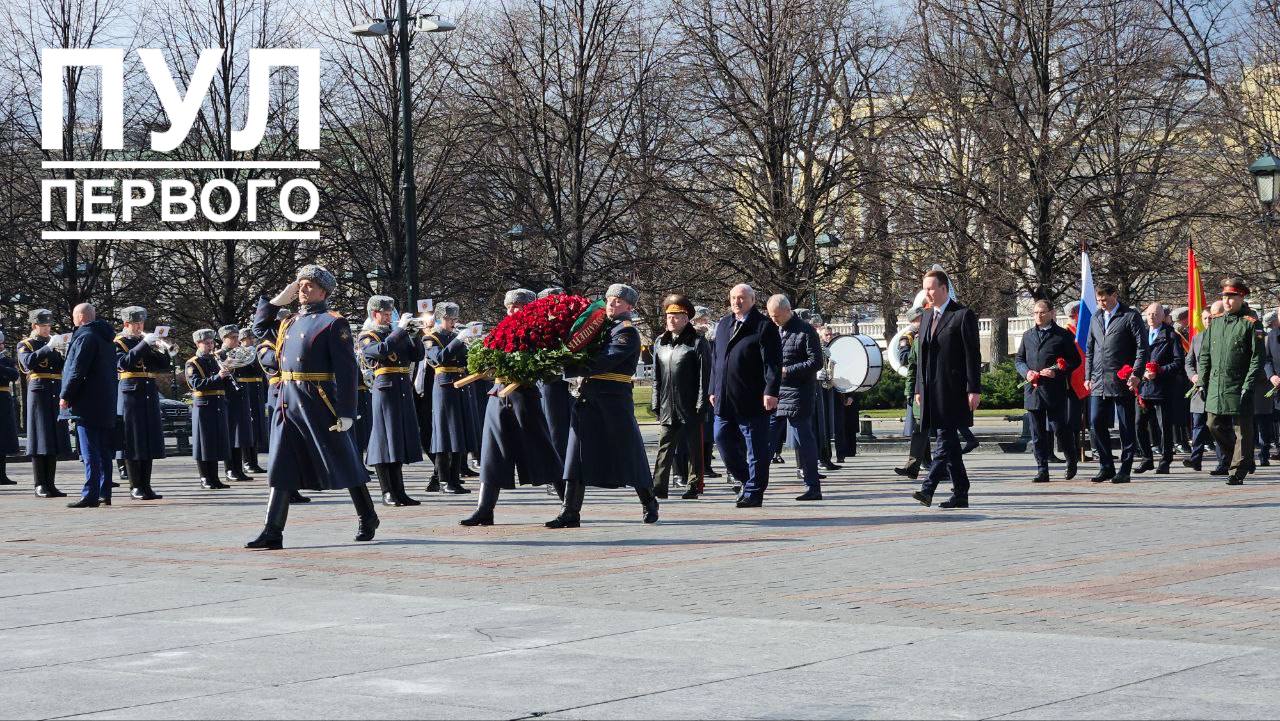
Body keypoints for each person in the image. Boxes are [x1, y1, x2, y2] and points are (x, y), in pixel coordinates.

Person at [245, 265, 380, 550]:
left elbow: (346, 371)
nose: (302, 290)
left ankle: (367, 515)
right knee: (281, 461)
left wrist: (345, 411)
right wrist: (275, 302)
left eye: (308, 285)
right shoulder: (289, 320)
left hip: (317, 399)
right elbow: (259, 329)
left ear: (324, 291)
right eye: (300, 285)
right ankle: (273, 531)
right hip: (288, 398)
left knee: (342, 458)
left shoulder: (333, 322)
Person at [547, 283, 659, 528]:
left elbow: (605, 361)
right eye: (609, 299)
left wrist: (564, 366)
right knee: (576, 456)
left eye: (618, 301)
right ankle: (570, 512)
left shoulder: (627, 331)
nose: (611, 304)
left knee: (629, 453)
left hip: (613, 400)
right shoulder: (599, 327)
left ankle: (649, 502)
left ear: (629, 306)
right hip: (588, 398)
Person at [458, 292, 564, 526]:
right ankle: (484, 509)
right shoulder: (501, 329)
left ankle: (569, 506)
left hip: (523, 395)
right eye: (509, 307)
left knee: (543, 450)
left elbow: (547, 364)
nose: (512, 311)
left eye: (517, 306)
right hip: (498, 393)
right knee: (491, 452)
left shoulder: (540, 330)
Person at [912, 269, 981, 509]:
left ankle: (927, 488)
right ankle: (961, 492)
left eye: (931, 288)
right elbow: (921, 357)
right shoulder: (927, 316)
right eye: (925, 288)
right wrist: (919, 388)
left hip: (954, 390)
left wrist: (974, 388)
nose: (927, 293)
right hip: (931, 390)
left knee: (944, 439)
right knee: (949, 442)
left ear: (943, 288)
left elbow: (972, 355)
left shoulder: (962, 315)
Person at [709, 284, 781, 508]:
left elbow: (773, 364)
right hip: (724, 398)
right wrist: (712, 388)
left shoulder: (763, 326)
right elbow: (716, 360)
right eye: (732, 297)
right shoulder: (723, 324)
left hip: (751, 398)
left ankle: (754, 492)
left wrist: (770, 391)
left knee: (756, 448)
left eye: (741, 298)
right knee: (721, 439)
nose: (736, 302)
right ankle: (746, 480)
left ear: (752, 299)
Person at [358, 295, 425, 506]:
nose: (389, 318)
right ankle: (387, 491)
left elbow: (417, 355)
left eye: (390, 314)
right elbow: (380, 352)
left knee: (397, 440)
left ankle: (400, 491)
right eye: (385, 314)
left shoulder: (395, 334)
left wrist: (415, 335)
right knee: (383, 440)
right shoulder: (367, 335)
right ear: (374, 314)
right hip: (385, 389)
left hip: (402, 388)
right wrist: (400, 331)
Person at [1198, 277, 1265, 485]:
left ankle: (1237, 470)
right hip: (1217, 385)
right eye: (1225, 296)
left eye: (1232, 296)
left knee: (1242, 430)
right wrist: (1202, 381)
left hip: (1239, 384)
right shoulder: (1215, 324)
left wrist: (1248, 383)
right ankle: (1242, 458)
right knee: (1212, 424)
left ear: (1241, 297)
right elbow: (1205, 355)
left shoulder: (1251, 324)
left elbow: (1257, 358)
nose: (1227, 301)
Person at [1084, 282, 1148, 484]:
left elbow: (1141, 347)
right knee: (1096, 422)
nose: (1101, 303)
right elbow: (1090, 349)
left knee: (1126, 426)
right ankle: (1106, 466)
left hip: (1121, 379)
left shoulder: (1129, 316)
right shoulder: (1096, 317)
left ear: (1115, 295)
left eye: (1104, 299)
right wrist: (1087, 377)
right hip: (1098, 380)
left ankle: (1125, 468)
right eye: (1099, 300)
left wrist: (1136, 373)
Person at [650, 293, 712, 500]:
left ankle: (694, 485)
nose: (671, 320)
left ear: (686, 319)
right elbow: (657, 377)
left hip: (690, 403)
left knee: (695, 448)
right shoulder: (661, 342)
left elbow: (705, 376)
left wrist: (701, 403)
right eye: (669, 316)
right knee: (664, 447)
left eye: (676, 316)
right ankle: (658, 487)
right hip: (669, 404)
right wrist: (655, 401)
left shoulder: (697, 342)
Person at [1015, 300, 1082, 483]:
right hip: (1033, 390)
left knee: (1059, 428)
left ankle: (1071, 459)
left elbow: (1074, 360)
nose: (1038, 316)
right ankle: (1042, 469)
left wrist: (1057, 371)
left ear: (1052, 313)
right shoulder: (1028, 335)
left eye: (1042, 312)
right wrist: (1026, 372)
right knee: (1037, 433)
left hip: (1054, 390)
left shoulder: (1062, 335)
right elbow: (1019, 360)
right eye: (1035, 312)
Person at [766, 295, 825, 501]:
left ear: (787, 310)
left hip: (799, 393)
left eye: (777, 316)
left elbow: (816, 362)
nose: (774, 319)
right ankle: (754, 484)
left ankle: (812, 485)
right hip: (776, 392)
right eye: (771, 316)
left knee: (803, 439)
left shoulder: (805, 330)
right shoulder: (773, 329)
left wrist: (787, 371)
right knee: (767, 439)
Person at [60, 303, 118, 508]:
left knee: (89, 450)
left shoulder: (85, 337)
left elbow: (77, 369)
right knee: (103, 450)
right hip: (106, 401)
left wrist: (66, 395)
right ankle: (104, 492)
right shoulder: (107, 338)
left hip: (87, 402)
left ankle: (90, 494)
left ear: (79, 317)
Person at [251, 304, 310, 504]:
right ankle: (283, 489)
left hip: (293, 395)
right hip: (278, 396)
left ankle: (293, 488)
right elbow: (276, 363)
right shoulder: (266, 346)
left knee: (294, 446)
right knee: (282, 447)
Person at [113, 306, 169, 500]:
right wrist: (144, 344)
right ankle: (135, 486)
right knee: (133, 441)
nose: (139, 327)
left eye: (141, 323)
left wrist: (164, 349)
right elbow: (123, 363)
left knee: (148, 440)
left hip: (148, 392)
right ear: (126, 324)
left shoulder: (142, 342)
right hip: (130, 394)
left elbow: (161, 366)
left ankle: (146, 485)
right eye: (135, 323)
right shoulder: (119, 342)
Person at [425, 302, 479, 494]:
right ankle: (443, 480)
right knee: (445, 435)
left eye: (455, 319)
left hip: (461, 385)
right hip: (445, 387)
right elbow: (438, 358)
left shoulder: (456, 336)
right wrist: (458, 341)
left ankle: (454, 478)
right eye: (449, 319)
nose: (453, 323)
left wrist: (472, 345)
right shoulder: (431, 337)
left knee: (460, 433)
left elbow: (466, 361)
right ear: (440, 318)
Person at [17, 309, 71, 498]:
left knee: (53, 438)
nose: (47, 328)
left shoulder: (53, 345)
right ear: (34, 326)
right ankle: (40, 484)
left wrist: (65, 351)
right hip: (38, 392)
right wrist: (49, 348)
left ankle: (51, 483)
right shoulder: (26, 344)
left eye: (49, 325)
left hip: (55, 391)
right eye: (43, 325)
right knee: (41, 437)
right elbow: (28, 363)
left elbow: (63, 367)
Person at [1134, 303, 1185, 475]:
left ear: (1163, 316)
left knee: (1164, 426)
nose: (1151, 317)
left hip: (1162, 388)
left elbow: (1178, 363)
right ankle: (1147, 459)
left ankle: (1165, 460)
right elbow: (1135, 358)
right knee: (1139, 424)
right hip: (1143, 388)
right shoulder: (1141, 334)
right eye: (1148, 314)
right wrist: (1137, 374)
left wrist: (1160, 371)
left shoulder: (1171, 335)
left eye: (1155, 314)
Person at [186, 329, 233, 490]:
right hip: (203, 405)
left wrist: (228, 374)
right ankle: (205, 478)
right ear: (198, 344)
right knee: (204, 443)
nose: (210, 345)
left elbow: (223, 384)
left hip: (218, 404)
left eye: (212, 343)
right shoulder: (193, 363)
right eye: (206, 343)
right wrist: (218, 377)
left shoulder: (215, 359)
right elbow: (196, 384)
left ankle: (215, 478)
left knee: (215, 442)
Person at [1184, 302, 1225, 474]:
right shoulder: (1197, 338)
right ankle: (1196, 459)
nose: (1208, 321)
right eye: (1205, 318)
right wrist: (1193, 375)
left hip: (1216, 388)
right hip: (1199, 389)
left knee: (1217, 426)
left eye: (1211, 318)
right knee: (1198, 425)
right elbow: (1189, 362)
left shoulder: (1222, 337)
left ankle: (1223, 462)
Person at [536, 287, 573, 463]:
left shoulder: (570, 323)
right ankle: (556, 472)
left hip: (570, 380)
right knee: (554, 427)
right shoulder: (537, 325)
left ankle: (571, 467)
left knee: (572, 425)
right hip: (549, 381)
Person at [894, 308, 930, 479]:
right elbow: (911, 366)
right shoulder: (912, 338)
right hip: (920, 391)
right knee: (919, 430)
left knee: (942, 433)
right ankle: (913, 467)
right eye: (920, 319)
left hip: (937, 390)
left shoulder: (933, 334)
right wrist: (910, 391)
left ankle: (943, 468)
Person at [216, 325, 255, 482]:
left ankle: (238, 469)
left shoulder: (241, 351)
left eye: (236, 337)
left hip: (241, 395)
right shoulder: (218, 355)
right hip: (227, 398)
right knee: (230, 434)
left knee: (241, 433)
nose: (236, 340)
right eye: (232, 338)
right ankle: (230, 469)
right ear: (224, 339)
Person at [1062, 302, 1090, 464]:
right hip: (1070, 382)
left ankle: (1081, 450)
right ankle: (1072, 451)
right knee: (1072, 420)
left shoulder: (1081, 334)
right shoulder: (1067, 333)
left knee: (1079, 419)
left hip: (1083, 379)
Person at [239, 327, 269, 474]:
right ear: (241, 340)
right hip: (247, 392)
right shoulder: (239, 354)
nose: (251, 341)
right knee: (247, 429)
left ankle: (254, 461)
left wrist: (265, 393)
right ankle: (247, 462)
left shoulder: (257, 352)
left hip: (257, 392)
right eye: (248, 339)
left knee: (256, 429)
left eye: (252, 338)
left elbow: (263, 375)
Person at [0, 331, 20, 485]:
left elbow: (14, 375)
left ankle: (2, 474)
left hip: (3, 400)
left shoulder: (7, 360)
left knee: (3, 439)